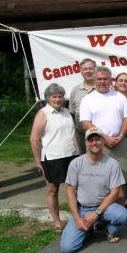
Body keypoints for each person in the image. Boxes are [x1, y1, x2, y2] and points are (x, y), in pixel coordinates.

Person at [60, 127, 127, 253]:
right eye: (90, 140)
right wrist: (77, 218)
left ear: (103, 141)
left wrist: (96, 214)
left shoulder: (112, 164)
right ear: (86, 143)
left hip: (104, 208)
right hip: (83, 209)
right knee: (67, 248)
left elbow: (115, 192)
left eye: (97, 139)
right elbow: (70, 192)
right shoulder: (76, 163)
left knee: (123, 215)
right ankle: (89, 229)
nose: (94, 143)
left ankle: (106, 227)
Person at [79, 66, 127, 207]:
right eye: (99, 79)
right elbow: (85, 123)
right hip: (97, 145)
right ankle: (101, 213)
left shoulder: (119, 97)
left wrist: (120, 136)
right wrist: (104, 138)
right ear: (94, 80)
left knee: (122, 179)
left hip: (119, 143)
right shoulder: (87, 99)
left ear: (110, 80)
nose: (102, 81)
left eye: (105, 79)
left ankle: (122, 212)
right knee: (99, 180)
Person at [30, 83, 80, 232]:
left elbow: (75, 134)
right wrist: (38, 160)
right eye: (54, 96)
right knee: (53, 190)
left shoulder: (67, 112)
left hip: (72, 155)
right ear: (48, 98)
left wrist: (81, 153)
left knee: (75, 189)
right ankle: (57, 222)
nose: (58, 99)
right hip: (53, 157)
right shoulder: (43, 113)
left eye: (60, 96)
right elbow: (34, 139)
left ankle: (77, 217)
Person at [68, 58, 96, 153]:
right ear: (81, 71)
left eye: (90, 68)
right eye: (85, 69)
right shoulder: (75, 91)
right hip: (82, 137)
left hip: (102, 136)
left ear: (95, 69)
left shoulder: (106, 88)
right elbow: (72, 114)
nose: (88, 71)